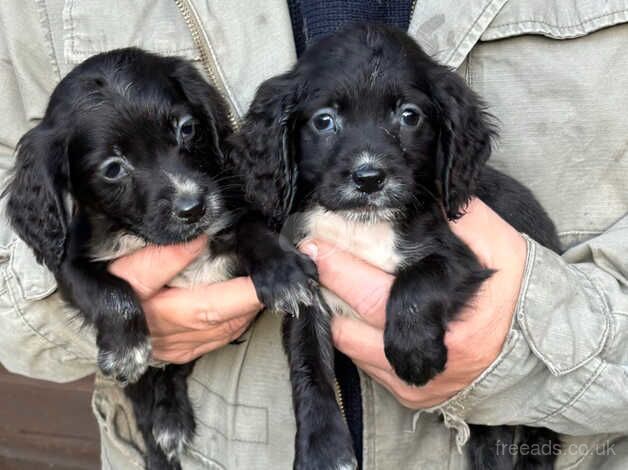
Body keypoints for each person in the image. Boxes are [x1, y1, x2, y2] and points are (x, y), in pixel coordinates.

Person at [1, 1, 626, 468]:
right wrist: (94, 305)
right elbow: (22, 223)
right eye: (324, 120)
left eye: (408, 117)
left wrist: (548, 335)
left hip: (564, 435)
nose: (367, 160)